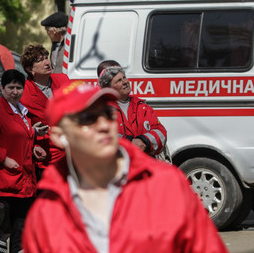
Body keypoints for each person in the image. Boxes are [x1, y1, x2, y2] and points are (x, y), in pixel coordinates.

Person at [22, 83, 228, 253]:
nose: (104, 125)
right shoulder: (46, 213)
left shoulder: (166, 184)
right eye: (88, 119)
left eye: (108, 113)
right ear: (59, 136)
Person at [0, 69, 48, 253]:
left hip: (25, 183)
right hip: (6, 183)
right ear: (2, 88)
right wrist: (4, 158)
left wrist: (34, 147)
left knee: (22, 235)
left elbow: (19, 138)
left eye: (19, 88)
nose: (15, 92)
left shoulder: (23, 112)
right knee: (2, 235)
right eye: (11, 88)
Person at [98, 63, 167, 157]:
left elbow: (160, 132)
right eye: (119, 80)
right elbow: (101, 137)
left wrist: (145, 141)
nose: (125, 82)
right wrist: (130, 143)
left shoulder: (143, 107)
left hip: (144, 165)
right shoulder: (102, 110)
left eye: (124, 77)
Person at [20, 44, 70, 168]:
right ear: (30, 69)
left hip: (73, 149)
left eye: (46, 57)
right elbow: (20, 127)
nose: (47, 62)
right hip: (48, 154)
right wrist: (33, 146)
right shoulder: (23, 93)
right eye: (40, 60)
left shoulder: (63, 80)